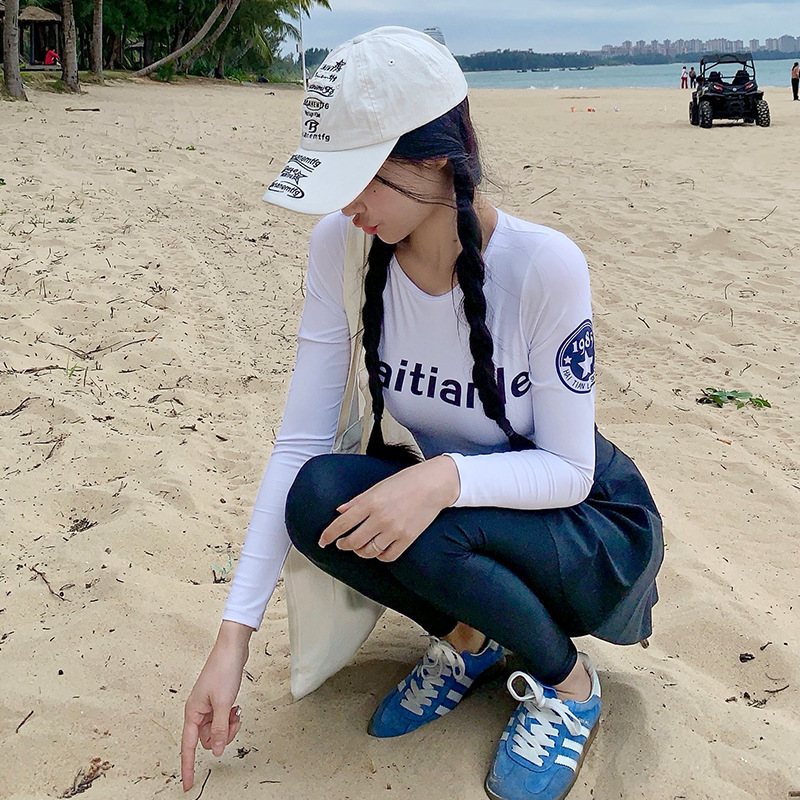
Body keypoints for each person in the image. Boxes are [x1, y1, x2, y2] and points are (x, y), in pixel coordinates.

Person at [180, 26, 663, 800]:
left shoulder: (543, 265)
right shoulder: (342, 245)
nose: (347, 204)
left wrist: (440, 479)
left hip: (587, 526)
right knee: (317, 497)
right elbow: (300, 443)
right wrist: (232, 638)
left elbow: (571, 469)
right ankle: (470, 639)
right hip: (463, 518)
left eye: (362, 178)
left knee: (432, 511)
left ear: (436, 158)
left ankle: (571, 687)